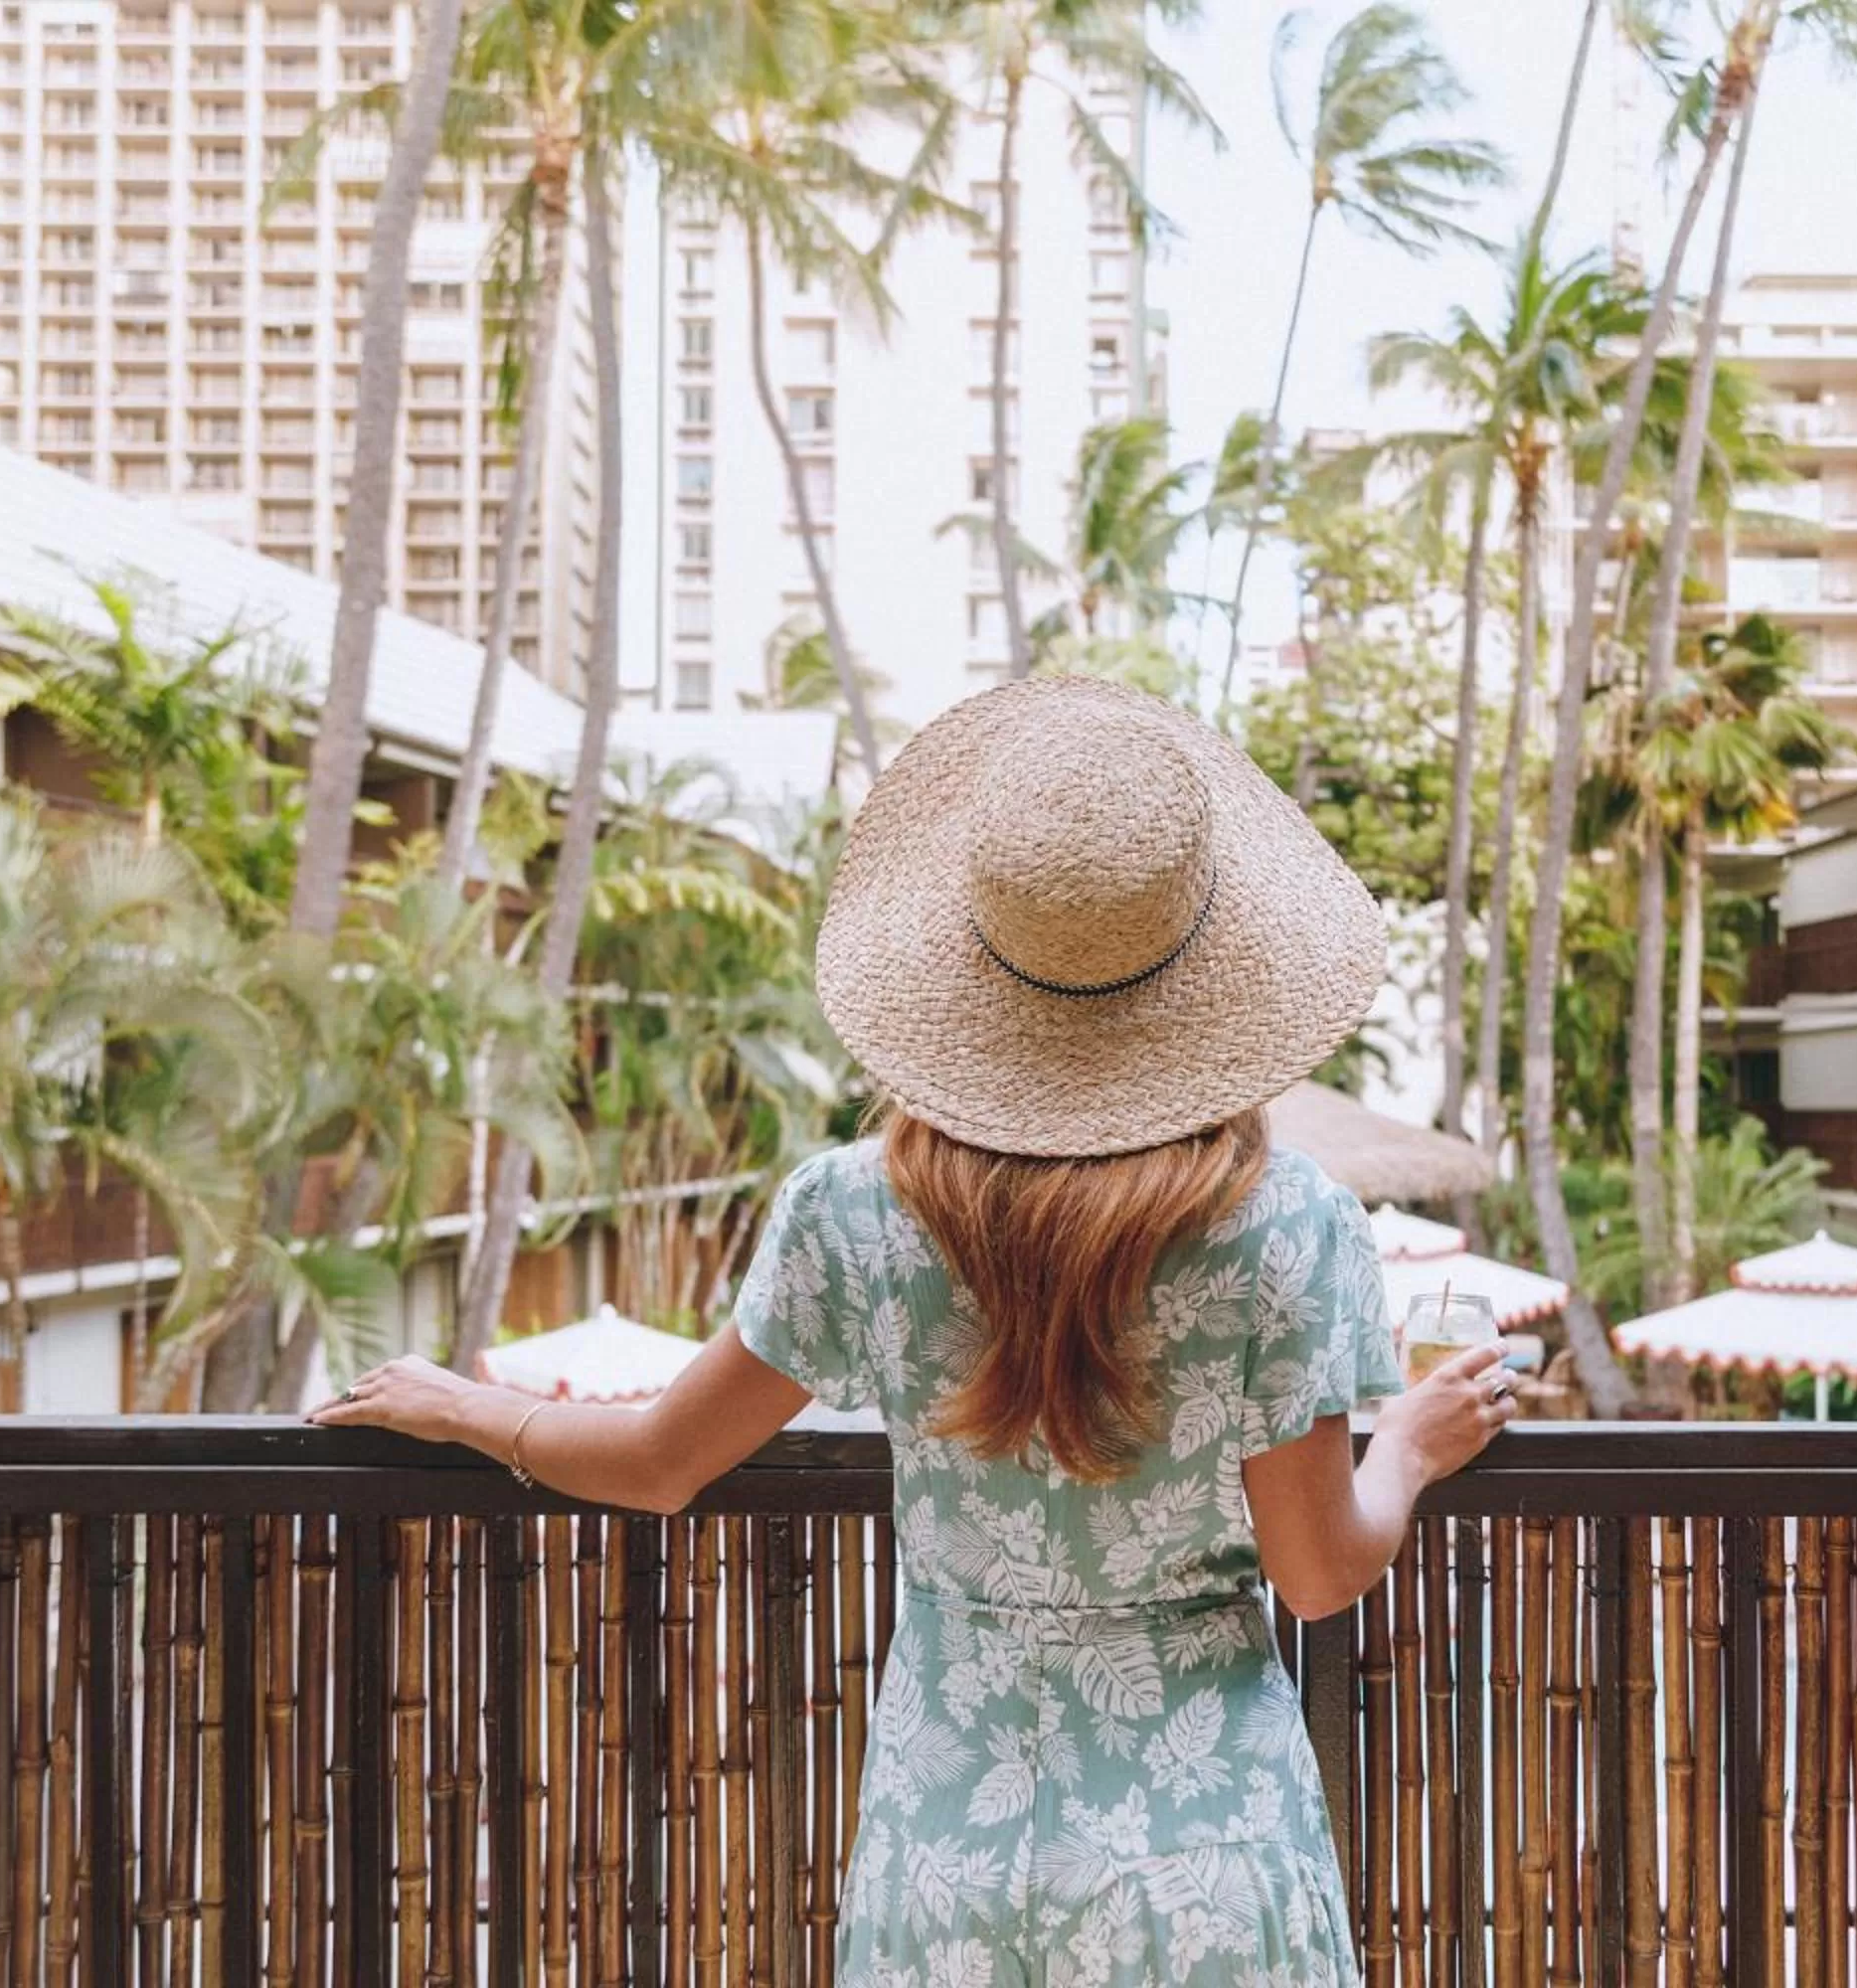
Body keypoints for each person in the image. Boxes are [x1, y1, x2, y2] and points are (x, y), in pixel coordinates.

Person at [312, 676, 1514, 1984]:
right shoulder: (1289, 1228)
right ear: (1215, 980)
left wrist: (465, 1406)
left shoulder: (856, 1216)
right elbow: (1318, 1572)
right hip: (1208, 1852)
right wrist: (1409, 1452)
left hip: (955, 1856)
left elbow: (661, 1462)